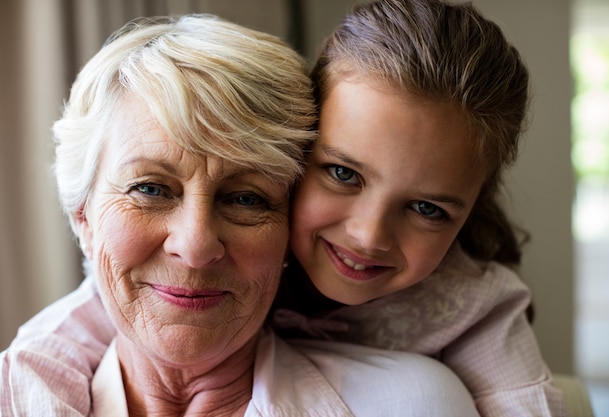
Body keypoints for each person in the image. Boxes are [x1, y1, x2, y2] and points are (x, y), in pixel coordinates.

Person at [0, 13, 482, 417]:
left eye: (246, 199)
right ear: (83, 215)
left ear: (289, 226)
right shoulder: (24, 391)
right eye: (150, 189)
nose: (195, 246)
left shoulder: (409, 403)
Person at [270, 0, 567, 415]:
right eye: (342, 174)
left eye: (427, 209)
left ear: (472, 209)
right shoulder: (229, 254)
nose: (369, 235)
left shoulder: (474, 307)